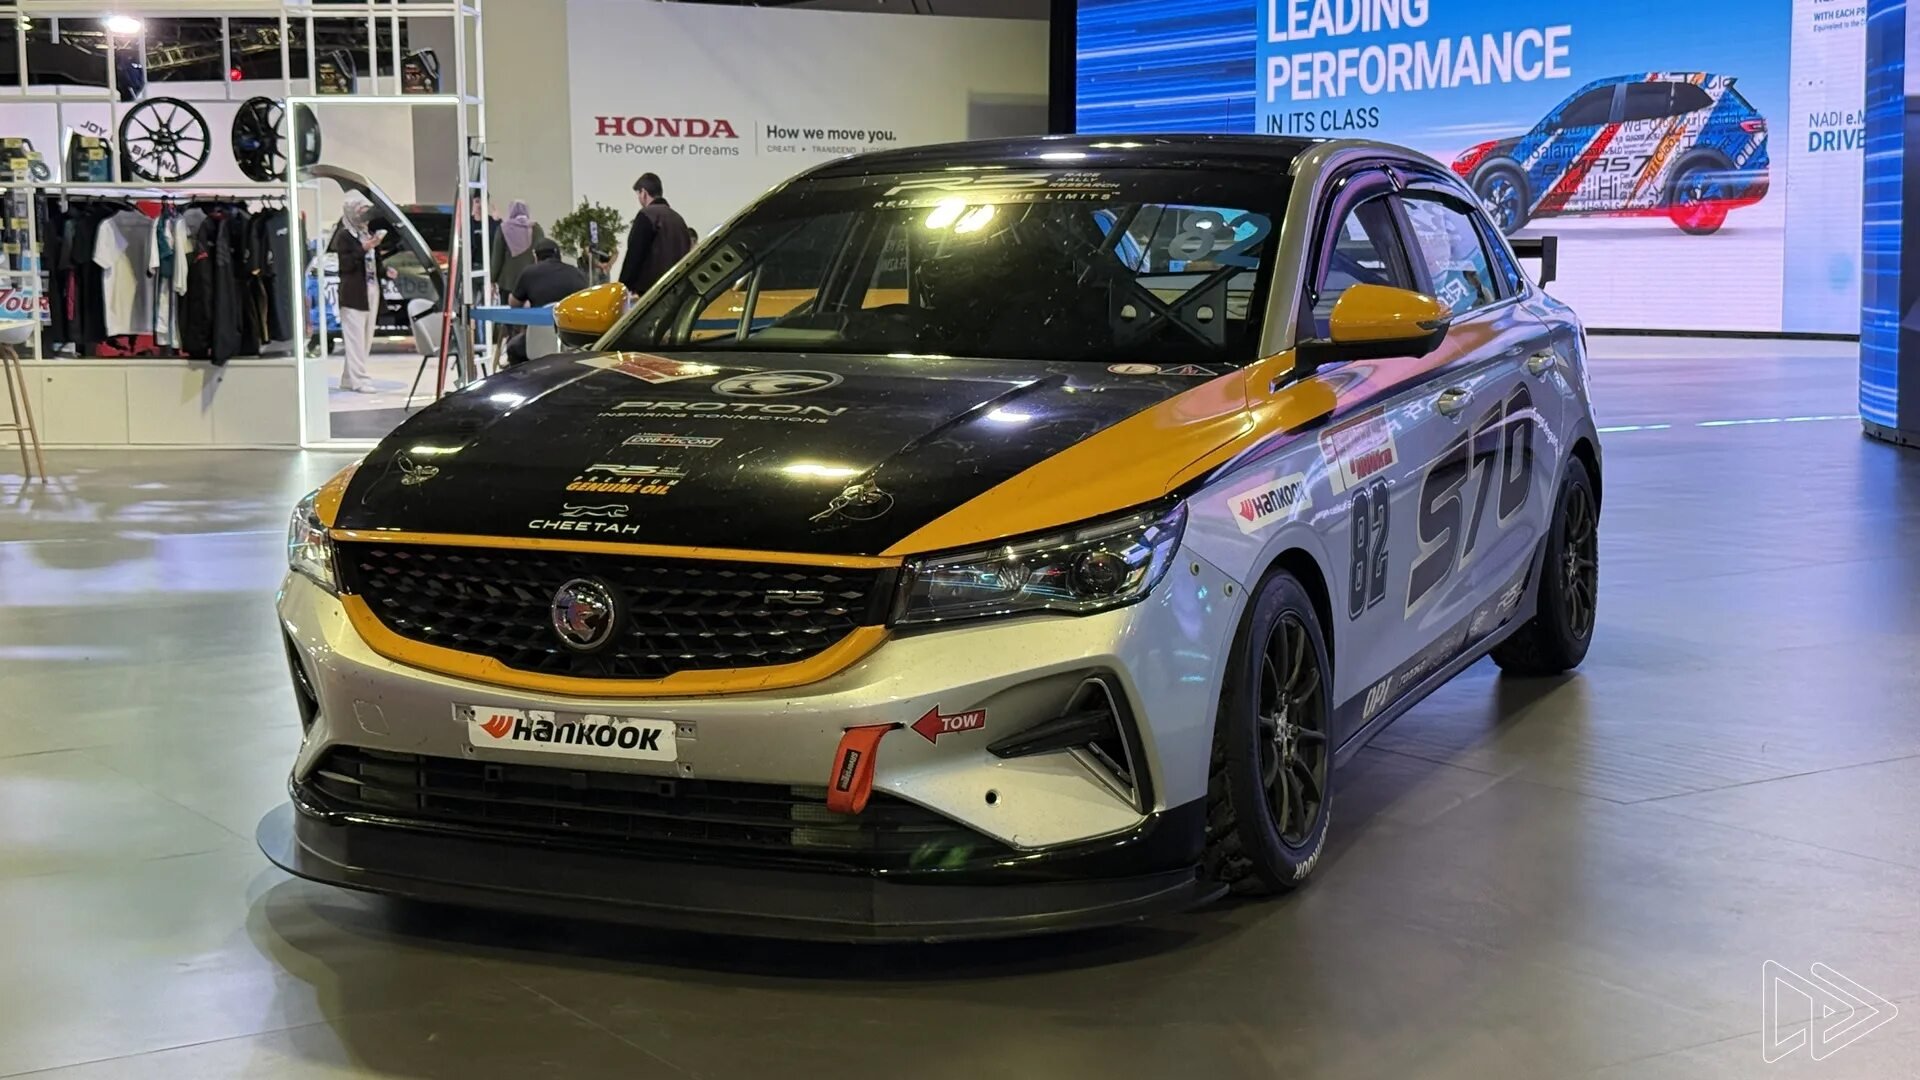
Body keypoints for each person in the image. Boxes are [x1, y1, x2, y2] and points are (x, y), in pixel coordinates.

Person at [503, 238, 588, 366]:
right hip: (573, 342)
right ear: (559, 255)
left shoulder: (529, 273)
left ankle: (526, 376)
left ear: (536, 257)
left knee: (513, 348)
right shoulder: (577, 273)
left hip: (539, 339)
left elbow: (514, 304)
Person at [330, 192, 384, 393]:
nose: (365, 215)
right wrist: (364, 248)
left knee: (366, 338)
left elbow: (374, 263)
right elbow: (346, 264)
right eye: (361, 211)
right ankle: (360, 379)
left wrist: (386, 271)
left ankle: (348, 378)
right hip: (353, 294)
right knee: (355, 340)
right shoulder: (344, 236)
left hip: (371, 290)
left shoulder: (368, 233)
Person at [613, 172, 692, 296]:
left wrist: (623, 286)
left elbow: (635, 253)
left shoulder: (647, 215)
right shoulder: (678, 219)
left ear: (644, 193)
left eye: (638, 194)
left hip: (652, 292)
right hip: (677, 290)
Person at [491, 199, 544, 299]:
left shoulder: (503, 229)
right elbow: (542, 254)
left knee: (507, 308)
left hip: (508, 283)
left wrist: (492, 279)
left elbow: (497, 258)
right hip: (531, 281)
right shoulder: (536, 228)